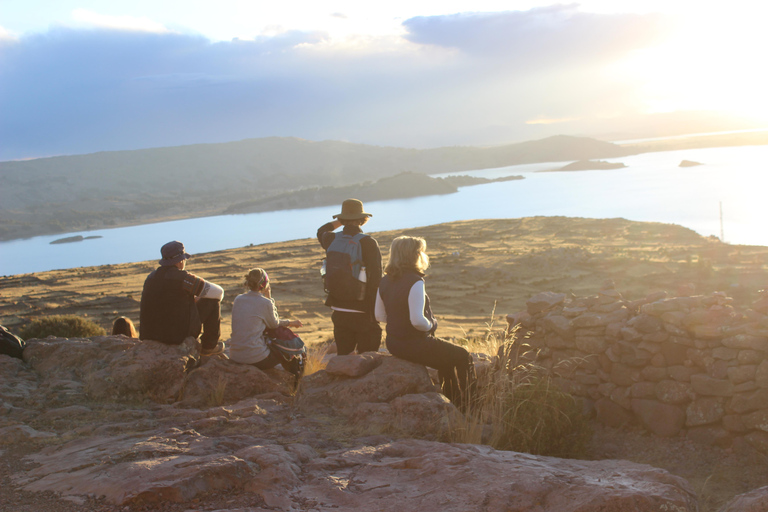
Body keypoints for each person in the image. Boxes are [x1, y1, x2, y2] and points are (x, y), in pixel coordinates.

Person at [375, 235, 475, 408]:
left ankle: (455, 403)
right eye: (420, 251)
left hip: (394, 343)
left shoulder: (384, 281)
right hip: (415, 344)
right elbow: (417, 321)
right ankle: (472, 403)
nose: (422, 255)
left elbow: (379, 316)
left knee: (446, 361)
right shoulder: (415, 281)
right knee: (463, 355)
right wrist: (432, 324)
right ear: (414, 255)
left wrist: (398, 321)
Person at [317, 198, 382, 355]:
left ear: (342, 218)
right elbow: (376, 280)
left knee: (344, 356)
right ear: (362, 219)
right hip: (363, 312)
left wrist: (342, 220)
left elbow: (321, 230)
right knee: (368, 358)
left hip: (338, 310)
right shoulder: (368, 242)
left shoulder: (331, 239)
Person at [139, 240, 225, 355]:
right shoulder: (184, 278)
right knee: (213, 301)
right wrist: (197, 299)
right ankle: (209, 346)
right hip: (177, 336)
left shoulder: (150, 277)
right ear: (180, 260)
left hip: (149, 334)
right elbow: (218, 292)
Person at [230, 268, 304, 379]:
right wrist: (269, 297)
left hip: (234, 355)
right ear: (264, 284)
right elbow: (274, 324)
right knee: (288, 354)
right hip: (255, 358)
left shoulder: (238, 299)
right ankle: (295, 383)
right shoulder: (265, 302)